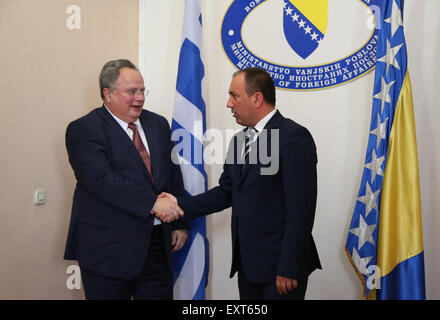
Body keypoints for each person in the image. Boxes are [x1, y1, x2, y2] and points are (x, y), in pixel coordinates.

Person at [158, 67, 321, 300]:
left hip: (281, 269)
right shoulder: (239, 141)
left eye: (234, 95)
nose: (228, 103)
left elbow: (301, 210)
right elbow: (226, 192)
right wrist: (178, 204)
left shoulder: (293, 137)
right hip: (249, 267)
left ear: (257, 98)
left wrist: (289, 266)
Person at [64, 59, 186, 300]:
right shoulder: (84, 129)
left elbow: (172, 175)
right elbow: (102, 180)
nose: (140, 97)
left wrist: (181, 222)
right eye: (132, 91)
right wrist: (153, 203)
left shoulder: (158, 124)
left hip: (156, 247)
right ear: (106, 93)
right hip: (107, 249)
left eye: (142, 90)